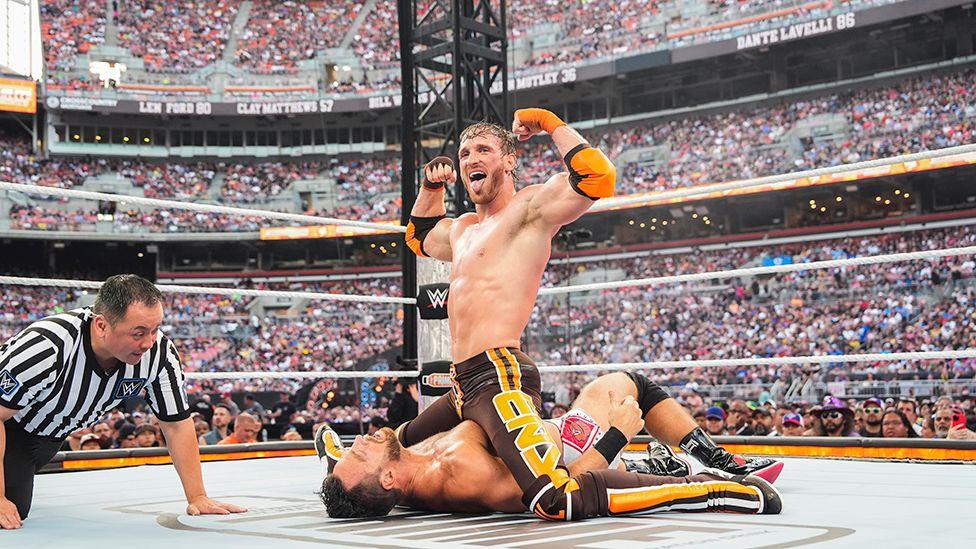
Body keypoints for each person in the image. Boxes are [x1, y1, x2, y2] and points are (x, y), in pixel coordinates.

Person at [389, 110, 779, 521]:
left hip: (499, 373)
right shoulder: (462, 228)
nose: (470, 159)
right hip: (461, 383)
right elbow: (418, 238)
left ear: (509, 160)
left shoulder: (529, 209)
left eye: (483, 149)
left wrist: (551, 123)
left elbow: (598, 177)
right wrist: (432, 185)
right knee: (396, 445)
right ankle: (650, 465)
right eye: (465, 152)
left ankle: (719, 470)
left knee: (552, 493)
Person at [321, 372, 780, 517]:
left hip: (542, 434)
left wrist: (334, 454)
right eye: (360, 450)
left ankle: (662, 463)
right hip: (572, 450)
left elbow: (355, 477)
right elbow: (560, 489)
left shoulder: (398, 481)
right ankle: (719, 462)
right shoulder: (462, 476)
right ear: (385, 476)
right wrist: (618, 431)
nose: (360, 438)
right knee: (626, 385)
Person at [0, 274, 245, 529]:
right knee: (10, 511)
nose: (149, 342)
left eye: (155, 329)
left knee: (17, 498)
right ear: (102, 325)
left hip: (50, 436)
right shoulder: (48, 345)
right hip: (10, 428)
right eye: (138, 333)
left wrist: (197, 497)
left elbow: (176, 423)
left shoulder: (159, 354)